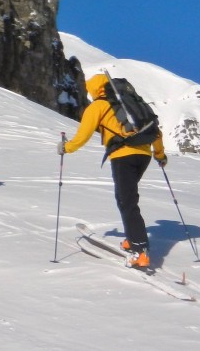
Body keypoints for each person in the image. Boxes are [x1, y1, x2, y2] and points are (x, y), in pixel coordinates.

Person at [58, 73, 167, 269]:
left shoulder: (98, 105)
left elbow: (83, 135)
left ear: (94, 90)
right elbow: (155, 131)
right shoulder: (131, 104)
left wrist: (67, 148)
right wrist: (160, 155)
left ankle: (139, 251)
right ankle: (133, 240)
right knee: (128, 198)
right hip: (144, 155)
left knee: (126, 201)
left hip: (122, 155)